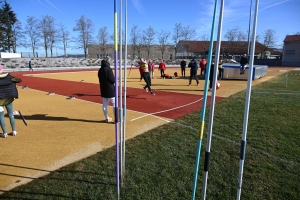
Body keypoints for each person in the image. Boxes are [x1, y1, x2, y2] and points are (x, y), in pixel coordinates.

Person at [0, 64, 22, 138]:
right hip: (9, 99)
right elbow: (19, 80)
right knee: (11, 114)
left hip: (0, 101)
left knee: (1, 116)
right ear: (2, 70)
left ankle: (5, 133)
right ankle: (14, 131)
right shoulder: (9, 78)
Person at [98, 56, 115, 123]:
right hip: (110, 89)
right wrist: (115, 78)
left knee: (105, 104)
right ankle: (116, 119)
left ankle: (107, 117)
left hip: (103, 89)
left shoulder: (100, 69)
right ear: (108, 61)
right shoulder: (108, 69)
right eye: (110, 60)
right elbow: (112, 80)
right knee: (115, 104)